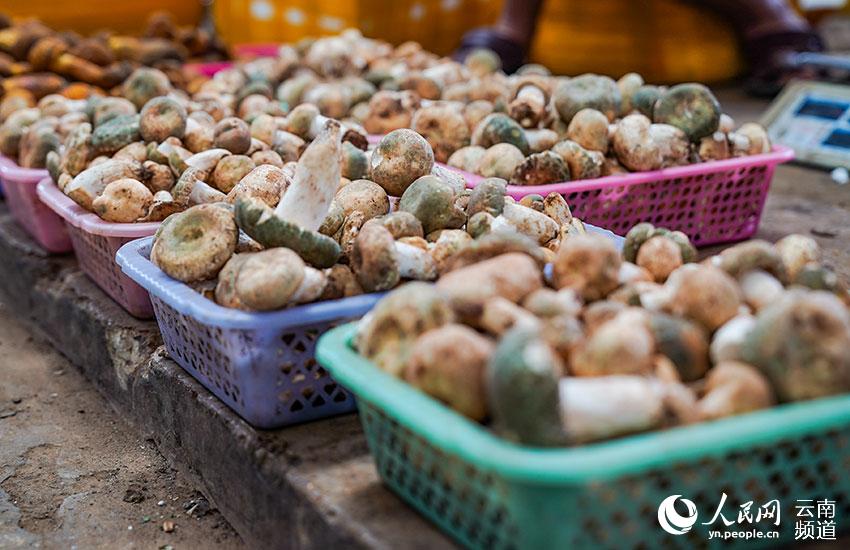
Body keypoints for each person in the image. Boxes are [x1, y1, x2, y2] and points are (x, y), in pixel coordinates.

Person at [455, 0, 824, 95]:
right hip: (561, 71)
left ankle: (768, 22)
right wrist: (508, 35)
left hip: (712, 74)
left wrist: (768, 19)